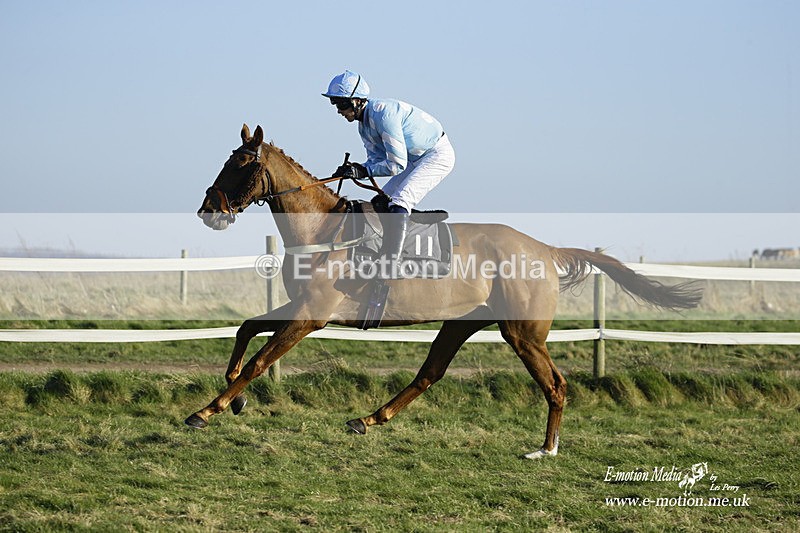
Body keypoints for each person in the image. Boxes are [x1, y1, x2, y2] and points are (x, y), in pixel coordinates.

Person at [322, 70, 455, 269]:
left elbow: (396, 165)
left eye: (341, 104)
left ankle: (392, 261)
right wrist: (355, 169)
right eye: (335, 104)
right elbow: (376, 162)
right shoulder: (363, 126)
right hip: (413, 159)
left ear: (357, 101)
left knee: (400, 201)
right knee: (380, 202)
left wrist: (363, 171)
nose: (339, 111)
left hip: (436, 155)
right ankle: (408, 224)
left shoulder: (383, 114)